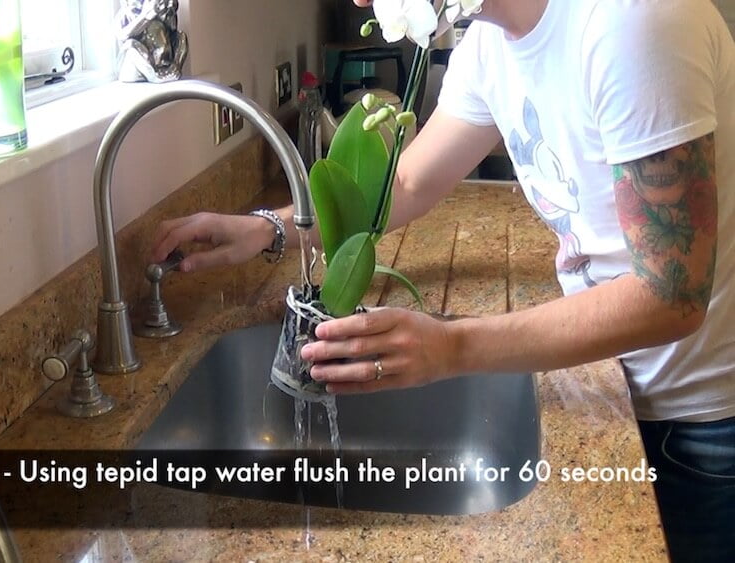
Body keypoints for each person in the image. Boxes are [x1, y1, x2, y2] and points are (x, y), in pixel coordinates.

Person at [151, 0, 733, 560]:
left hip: (702, 427)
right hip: (622, 385)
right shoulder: (490, 44)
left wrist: (450, 346)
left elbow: (671, 296)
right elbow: (405, 185)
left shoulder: (633, 22)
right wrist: (267, 229)